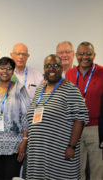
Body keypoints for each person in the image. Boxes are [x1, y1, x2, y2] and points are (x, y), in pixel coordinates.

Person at [26, 54, 89, 179]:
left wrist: (71, 146)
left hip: (59, 152)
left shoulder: (70, 89)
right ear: (44, 69)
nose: (52, 69)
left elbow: (79, 119)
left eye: (56, 65)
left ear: (61, 68)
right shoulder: (40, 90)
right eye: (48, 66)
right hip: (38, 152)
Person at [0, 57, 30, 179]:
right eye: (2, 68)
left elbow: (27, 116)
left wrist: (25, 140)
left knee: (11, 177)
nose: (5, 71)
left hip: (15, 145)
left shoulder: (19, 89)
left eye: (9, 68)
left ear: (13, 71)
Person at [66, 41, 103, 180]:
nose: (85, 57)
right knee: (76, 169)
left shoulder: (102, 72)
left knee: (97, 169)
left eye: (88, 53)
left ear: (94, 55)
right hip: (74, 128)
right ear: (76, 55)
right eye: (81, 53)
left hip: (96, 128)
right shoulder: (69, 74)